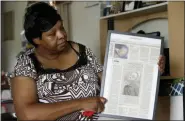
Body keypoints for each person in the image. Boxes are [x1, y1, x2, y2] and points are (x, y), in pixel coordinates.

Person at [11, 2, 165, 121]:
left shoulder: (83, 52)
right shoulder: (26, 64)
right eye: (52, 34)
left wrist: (149, 71)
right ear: (36, 40)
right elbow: (26, 115)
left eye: (62, 28)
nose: (62, 35)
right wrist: (80, 103)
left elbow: (113, 85)